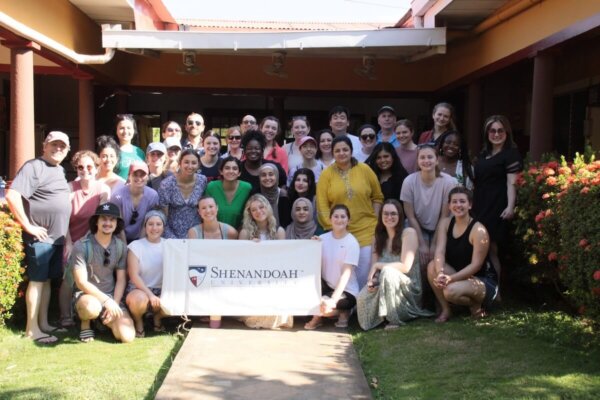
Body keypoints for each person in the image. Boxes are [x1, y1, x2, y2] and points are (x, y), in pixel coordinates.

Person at [6, 131, 72, 344]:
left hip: (57, 238)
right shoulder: (33, 167)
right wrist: (28, 225)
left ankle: (43, 324)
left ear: (68, 150)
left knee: (47, 281)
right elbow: (12, 195)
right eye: (54, 145)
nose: (58, 149)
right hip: (41, 237)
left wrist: (67, 237)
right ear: (44, 145)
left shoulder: (60, 170)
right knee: (37, 281)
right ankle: (31, 329)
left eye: (62, 146)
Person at [316, 136, 384, 289]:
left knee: (364, 274)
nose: (342, 153)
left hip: (366, 230)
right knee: (342, 274)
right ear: (332, 153)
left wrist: (375, 220)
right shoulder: (327, 175)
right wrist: (337, 228)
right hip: (340, 232)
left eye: (345, 149)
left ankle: (361, 307)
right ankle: (347, 305)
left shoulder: (365, 169)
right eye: (337, 150)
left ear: (351, 151)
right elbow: (322, 207)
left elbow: (378, 196)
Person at [356, 200, 433, 330]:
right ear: (381, 216)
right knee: (362, 297)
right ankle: (380, 318)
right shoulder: (377, 237)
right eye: (385, 214)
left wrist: (378, 266)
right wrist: (372, 281)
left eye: (393, 214)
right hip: (383, 281)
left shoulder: (408, 233)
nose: (389, 217)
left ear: (400, 216)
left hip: (408, 286)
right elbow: (373, 269)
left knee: (388, 272)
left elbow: (405, 267)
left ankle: (394, 319)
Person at [427, 187, 498, 322]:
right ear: (449, 205)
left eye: (462, 201)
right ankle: (446, 310)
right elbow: (440, 251)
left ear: (469, 205)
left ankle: (475, 305)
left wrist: (451, 278)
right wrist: (441, 273)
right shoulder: (445, 223)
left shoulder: (478, 230)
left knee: (450, 291)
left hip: (482, 281)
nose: (458, 205)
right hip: (460, 276)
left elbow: (476, 266)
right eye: (454, 202)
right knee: (432, 267)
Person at [59, 150, 110, 328]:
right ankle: (65, 316)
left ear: (97, 168)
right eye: (81, 167)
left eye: (89, 166)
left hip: (92, 239)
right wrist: (69, 243)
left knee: (93, 278)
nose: (85, 170)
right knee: (69, 278)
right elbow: (63, 219)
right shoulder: (69, 188)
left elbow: (101, 220)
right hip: (71, 238)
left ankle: (92, 316)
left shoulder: (103, 190)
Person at [71, 202, 135, 343]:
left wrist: (114, 304)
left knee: (127, 337)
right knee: (90, 307)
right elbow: (81, 282)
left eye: (112, 220)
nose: (108, 223)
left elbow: (121, 280)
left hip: (111, 296)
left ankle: (102, 322)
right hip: (87, 296)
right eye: (104, 219)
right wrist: (106, 301)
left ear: (117, 224)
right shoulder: (81, 246)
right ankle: (86, 322)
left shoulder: (120, 247)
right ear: (96, 222)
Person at [473, 115, 522, 284]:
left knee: (490, 247)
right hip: (480, 204)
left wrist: (510, 206)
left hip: (496, 205)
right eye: (492, 131)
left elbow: (512, 183)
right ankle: (481, 284)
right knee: (479, 246)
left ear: (507, 133)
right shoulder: (483, 154)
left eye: (500, 130)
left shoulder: (511, 154)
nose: (496, 134)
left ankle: (496, 291)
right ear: (487, 133)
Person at [238, 194, 291, 330]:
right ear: (249, 213)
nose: (258, 211)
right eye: (253, 209)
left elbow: (283, 259)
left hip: (273, 277)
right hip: (251, 279)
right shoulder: (245, 232)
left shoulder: (279, 231)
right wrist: (250, 248)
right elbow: (239, 260)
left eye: (261, 207)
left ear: (267, 208)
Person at [400, 144, 458, 268]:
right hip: (418, 226)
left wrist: (433, 245)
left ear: (437, 160)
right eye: (422, 157)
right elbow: (410, 216)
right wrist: (422, 244)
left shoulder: (449, 182)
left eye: (430, 157)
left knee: (436, 258)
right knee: (421, 260)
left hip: (442, 226)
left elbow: (444, 216)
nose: (426, 161)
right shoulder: (409, 182)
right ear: (418, 160)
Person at [304, 205, 360, 330]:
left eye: (343, 217)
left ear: (348, 220)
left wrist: (333, 299)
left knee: (323, 304)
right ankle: (339, 313)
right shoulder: (322, 239)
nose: (339, 220)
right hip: (327, 287)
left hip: (347, 292)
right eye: (336, 216)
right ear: (330, 219)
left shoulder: (352, 243)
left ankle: (320, 317)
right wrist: (312, 246)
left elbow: (346, 274)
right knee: (313, 303)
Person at [187, 197, 238, 329]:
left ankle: (216, 316)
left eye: (211, 206)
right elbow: (194, 260)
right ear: (199, 212)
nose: (208, 210)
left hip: (225, 276)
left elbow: (237, 258)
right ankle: (211, 314)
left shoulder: (230, 232)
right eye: (203, 208)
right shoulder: (194, 232)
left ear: (217, 208)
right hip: (203, 277)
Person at [126, 210, 168, 337]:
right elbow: (133, 275)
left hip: (161, 290)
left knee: (177, 300)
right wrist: (150, 295)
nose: (154, 228)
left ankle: (158, 318)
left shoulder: (169, 245)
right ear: (145, 226)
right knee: (139, 300)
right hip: (140, 290)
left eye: (158, 224)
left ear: (163, 227)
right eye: (150, 224)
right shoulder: (135, 246)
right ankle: (138, 322)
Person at [159, 149, 208, 238]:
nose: (190, 166)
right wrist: (171, 238)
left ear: (198, 165)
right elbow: (163, 217)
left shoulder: (202, 181)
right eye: (186, 162)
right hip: (172, 233)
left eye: (194, 163)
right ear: (180, 163)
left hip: (196, 232)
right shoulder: (166, 184)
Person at [111, 161, 159, 243]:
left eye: (142, 175)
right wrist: (124, 248)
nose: (139, 178)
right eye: (135, 175)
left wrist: (139, 246)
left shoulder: (152, 196)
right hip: (118, 238)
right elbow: (118, 225)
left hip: (143, 237)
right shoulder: (117, 196)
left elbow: (147, 223)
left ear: (147, 177)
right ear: (129, 176)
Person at [204, 156, 252, 229]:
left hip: (238, 235)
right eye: (227, 168)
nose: (231, 171)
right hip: (214, 233)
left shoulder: (247, 188)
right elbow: (204, 212)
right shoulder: (211, 187)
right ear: (221, 171)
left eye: (235, 168)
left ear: (239, 173)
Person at [114, 114, 145, 180]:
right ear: (116, 131)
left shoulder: (140, 152)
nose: (125, 131)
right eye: (122, 128)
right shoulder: (112, 152)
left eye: (129, 128)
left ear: (134, 131)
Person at [259, 164, 291, 228]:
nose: (267, 178)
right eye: (263, 175)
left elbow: (286, 223)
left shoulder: (283, 195)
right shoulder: (256, 195)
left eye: (271, 174)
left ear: (276, 176)